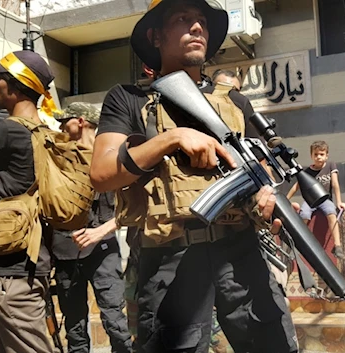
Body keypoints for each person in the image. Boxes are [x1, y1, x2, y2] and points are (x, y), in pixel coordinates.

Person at [89, 1, 298, 352]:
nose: (197, 27)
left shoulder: (234, 101)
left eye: (201, 21)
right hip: (168, 254)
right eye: (183, 19)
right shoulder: (129, 99)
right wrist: (170, 138)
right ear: (155, 36)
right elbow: (102, 174)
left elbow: (264, 168)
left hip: (240, 250)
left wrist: (268, 193)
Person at [0, 50, 56, 352]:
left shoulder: (6, 129)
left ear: (14, 86)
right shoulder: (46, 134)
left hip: (10, 276)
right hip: (33, 264)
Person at [52, 102, 133, 353]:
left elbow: (131, 209)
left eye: (64, 121)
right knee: (75, 327)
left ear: (80, 121)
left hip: (103, 250)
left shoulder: (111, 158)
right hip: (65, 250)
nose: (60, 126)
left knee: (116, 322)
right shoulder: (57, 158)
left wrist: (100, 231)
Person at [287, 140, 345, 259]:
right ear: (311, 156)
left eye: (321, 154)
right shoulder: (307, 171)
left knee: (331, 213)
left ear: (326, 155)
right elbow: (297, 186)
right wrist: (286, 199)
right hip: (310, 200)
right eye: (316, 154)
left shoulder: (330, 165)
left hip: (325, 200)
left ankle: (337, 246)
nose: (318, 157)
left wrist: (339, 201)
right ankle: (298, 244)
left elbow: (335, 184)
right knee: (304, 215)